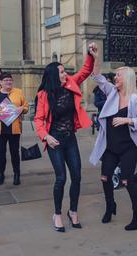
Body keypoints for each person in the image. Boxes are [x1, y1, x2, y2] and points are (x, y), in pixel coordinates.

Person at [33, 44, 95, 232]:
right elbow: (39, 119)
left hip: (70, 139)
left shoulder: (71, 84)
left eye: (64, 71)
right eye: (61, 71)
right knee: (61, 178)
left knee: (76, 176)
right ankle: (58, 214)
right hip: (55, 141)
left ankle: (73, 212)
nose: (65, 73)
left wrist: (90, 56)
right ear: (53, 75)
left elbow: (85, 71)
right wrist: (46, 137)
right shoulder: (44, 95)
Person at [89, 43, 137, 231]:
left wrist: (127, 120)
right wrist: (96, 56)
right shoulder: (111, 93)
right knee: (105, 177)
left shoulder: (135, 99)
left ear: (127, 78)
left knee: (127, 180)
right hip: (111, 146)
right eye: (115, 75)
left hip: (129, 147)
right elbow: (97, 76)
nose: (115, 77)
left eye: (118, 75)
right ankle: (110, 207)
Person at [0, 72, 28, 186]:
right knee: (0, 153)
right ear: (0, 82)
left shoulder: (18, 92)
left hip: (14, 128)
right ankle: (0, 174)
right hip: (0, 129)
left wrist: (22, 109)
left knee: (15, 153)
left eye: (10, 80)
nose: (8, 82)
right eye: (6, 80)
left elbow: (26, 107)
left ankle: (17, 174)